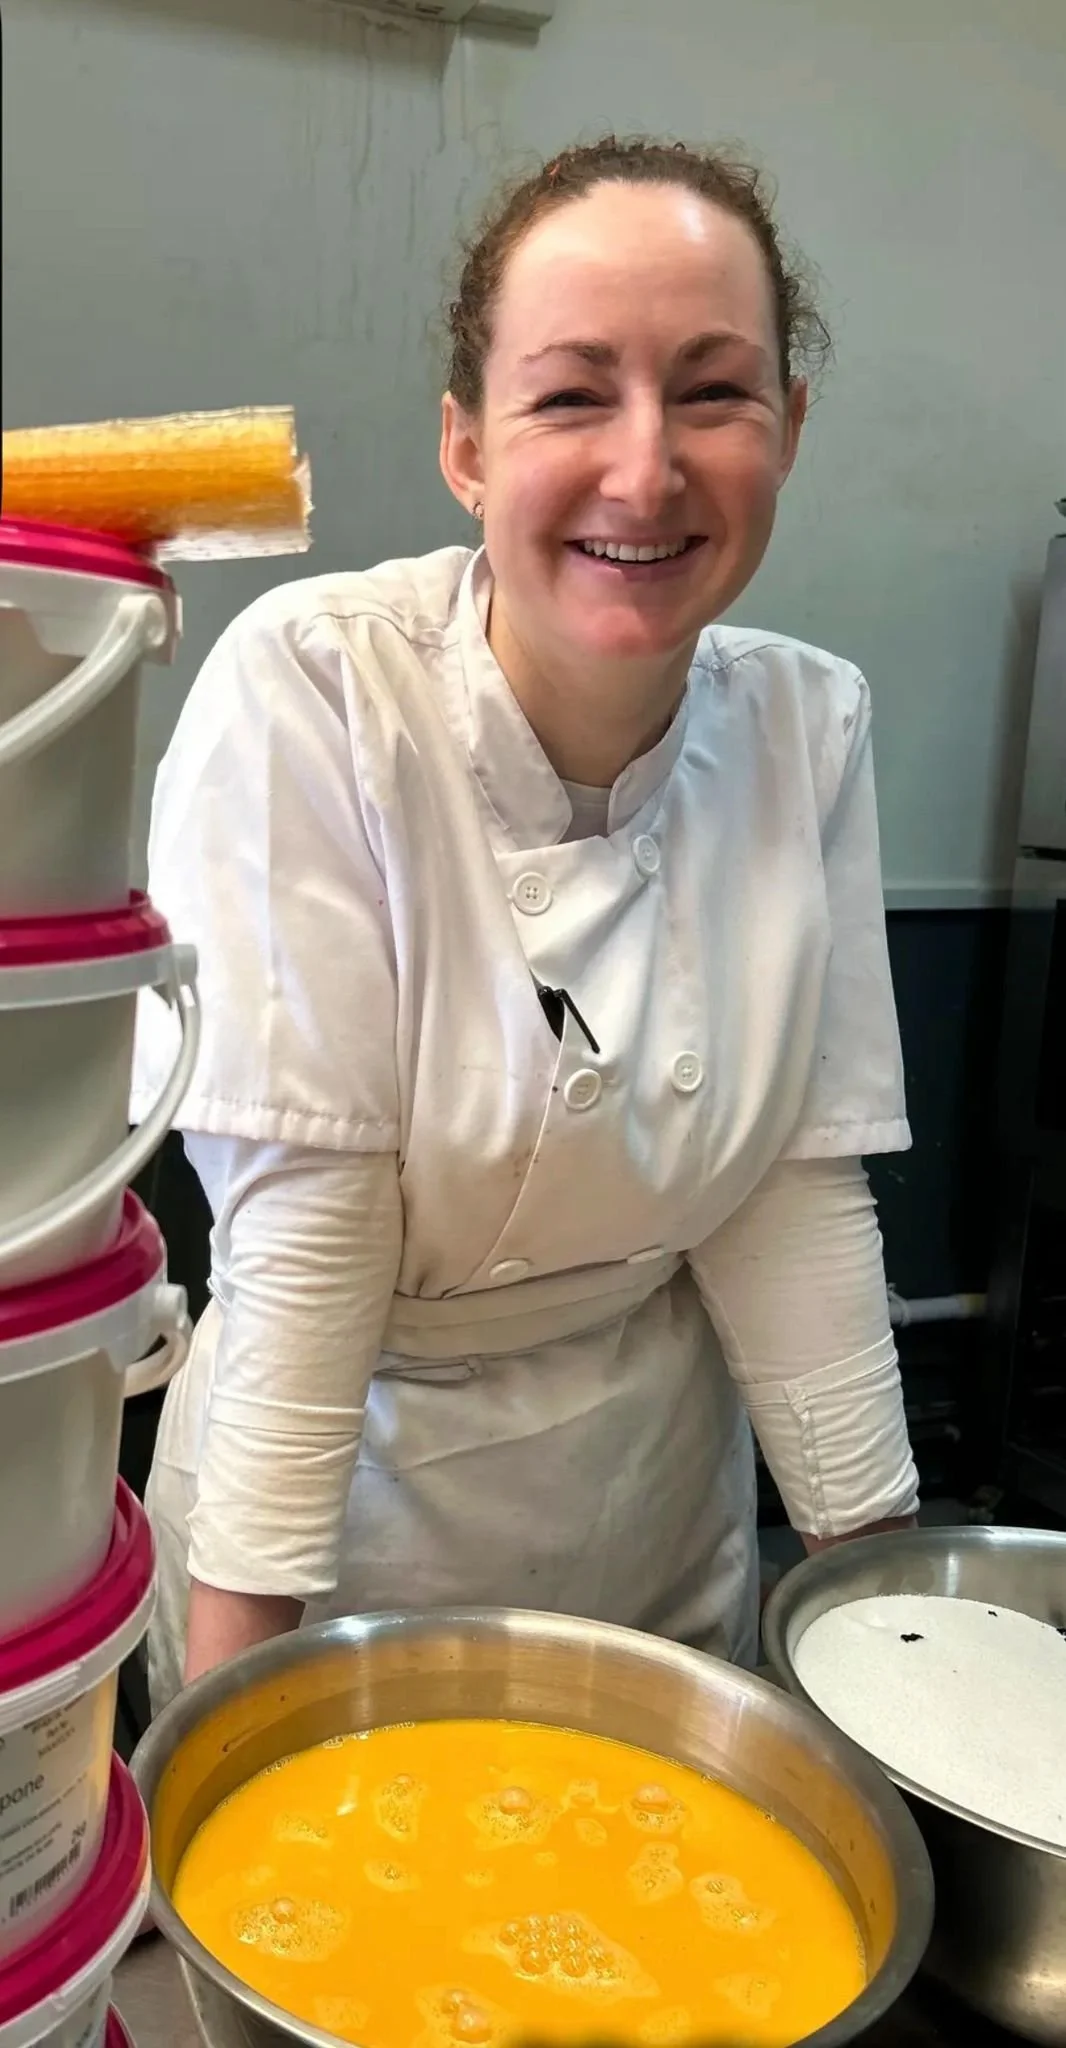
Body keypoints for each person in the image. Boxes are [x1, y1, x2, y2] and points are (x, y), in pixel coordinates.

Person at [133, 135, 919, 1716]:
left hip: (653, 1514)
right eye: (570, 396)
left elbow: (787, 1206)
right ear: (466, 447)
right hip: (345, 1539)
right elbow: (304, 1245)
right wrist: (232, 1731)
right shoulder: (320, 688)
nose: (645, 470)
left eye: (712, 392)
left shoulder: (803, 722)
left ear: (787, 427)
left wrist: (897, 1635)